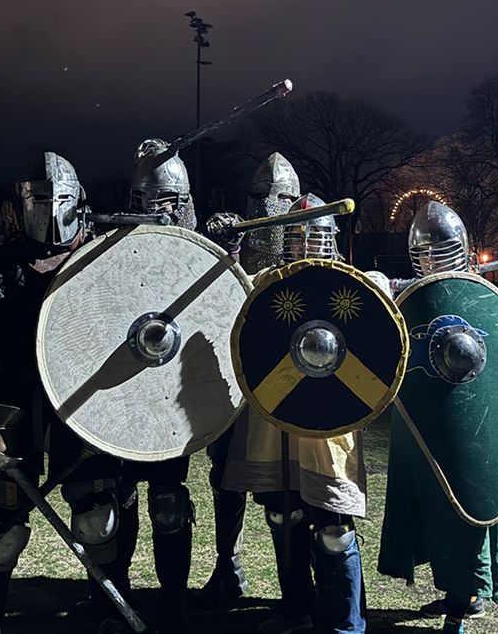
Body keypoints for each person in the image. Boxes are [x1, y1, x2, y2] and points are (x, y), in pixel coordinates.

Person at [0, 151, 127, 633]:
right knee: (2, 517)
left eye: (58, 198)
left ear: (78, 201)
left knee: (96, 513)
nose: (48, 208)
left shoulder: (98, 257)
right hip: (13, 398)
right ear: (21, 204)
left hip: (81, 400)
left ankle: (106, 613)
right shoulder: (0, 261)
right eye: (37, 198)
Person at [222, 193, 367, 634]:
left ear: (330, 238)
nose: (306, 244)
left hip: (328, 427)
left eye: (316, 235)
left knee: (333, 527)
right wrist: (227, 252)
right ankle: (296, 608)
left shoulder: (352, 283)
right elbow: (226, 300)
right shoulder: (266, 281)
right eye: (298, 236)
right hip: (274, 419)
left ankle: (345, 623)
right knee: (283, 515)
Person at [377, 201, 498, 634]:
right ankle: (454, 590)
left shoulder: (478, 299)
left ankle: (466, 596)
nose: (432, 258)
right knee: (430, 504)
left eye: (441, 249)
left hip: (467, 418)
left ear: (463, 248)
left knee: (465, 501)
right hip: (418, 415)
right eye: (424, 252)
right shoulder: (410, 298)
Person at [195, 152, 300, 609]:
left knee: (285, 491)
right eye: (259, 196)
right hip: (231, 378)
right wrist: (225, 246)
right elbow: (211, 290)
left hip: (283, 384)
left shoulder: (305, 242)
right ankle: (228, 567)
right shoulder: (233, 244)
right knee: (224, 478)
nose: (267, 206)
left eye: (277, 197)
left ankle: (295, 590)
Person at [106, 139, 199, 630]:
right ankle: (117, 598)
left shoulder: (196, 251)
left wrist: (229, 249)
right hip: (121, 389)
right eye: (151, 200)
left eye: (170, 201)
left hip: (168, 394)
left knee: (168, 500)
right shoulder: (112, 249)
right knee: (118, 499)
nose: (160, 210)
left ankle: (174, 602)